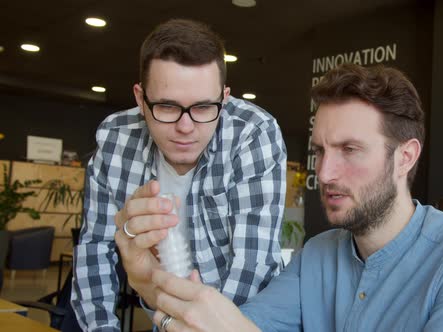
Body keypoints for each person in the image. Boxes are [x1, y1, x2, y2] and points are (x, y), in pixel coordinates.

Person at [148, 63, 443, 332]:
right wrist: (165, 292)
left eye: (350, 150)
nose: (325, 173)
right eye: (320, 151)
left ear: (405, 157)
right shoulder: (318, 254)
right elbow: (247, 324)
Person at [71, 19, 287, 331]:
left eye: (202, 108)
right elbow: (95, 248)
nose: (185, 127)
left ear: (224, 99)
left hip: (241, 321)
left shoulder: (253, 133)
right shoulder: (116, 138)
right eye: (167, 107)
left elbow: (254, 264)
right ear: (140, 99)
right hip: (165, 315)